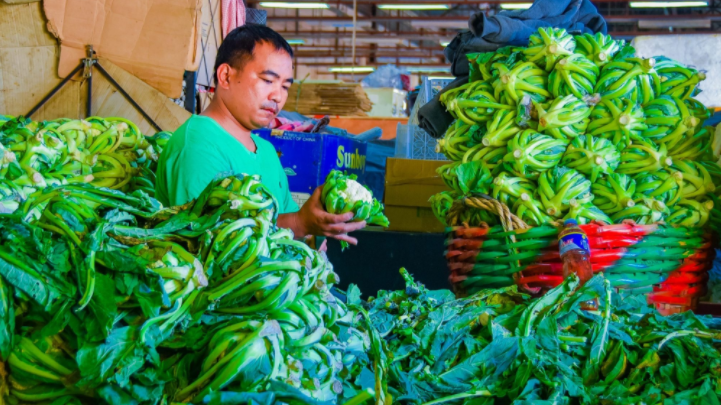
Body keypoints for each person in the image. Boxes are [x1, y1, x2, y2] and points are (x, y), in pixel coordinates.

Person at [156, 24, 366, 245]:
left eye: (285, 86)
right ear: (226, 76)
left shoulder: (265, 150)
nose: (278, 96)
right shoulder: (198, 147)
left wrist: (313, 235)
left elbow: (287, 225)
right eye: (268, 80)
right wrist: (299, 223)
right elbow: (212, 244)